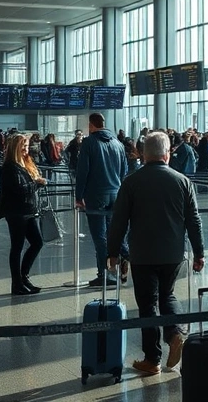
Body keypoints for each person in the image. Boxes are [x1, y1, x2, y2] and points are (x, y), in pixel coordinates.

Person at [107, 132, 205, 376]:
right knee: (167, 294)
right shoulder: (183, 181)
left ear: (143, 154)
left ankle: (152, 360)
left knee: (147, 304)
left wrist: (113, 253)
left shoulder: (131, 182)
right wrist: (199, 252)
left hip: (142, 253)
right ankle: (174, 334)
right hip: (173, 253)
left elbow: (119, 221)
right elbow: (194, 221)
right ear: (167, 153)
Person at [76, 113, 130, 287]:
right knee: (114, 232)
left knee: (100, 237)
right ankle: (126, 256)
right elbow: (124, 171)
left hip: (95, 195)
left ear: (91, 125)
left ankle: (104, 273)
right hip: (116, 193)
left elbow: (83, 171)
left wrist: (79, 196)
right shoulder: (118, 144)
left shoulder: (89, 143)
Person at [0, 134, 47, 295]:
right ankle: (17, 283)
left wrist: (35, 183)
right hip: (16, 212)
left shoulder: (25, 163)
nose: (26, 150)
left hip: (29, 210)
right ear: (15, 149)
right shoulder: (9, 167)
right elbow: (20, 190)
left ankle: (23, 276)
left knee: (37, 242)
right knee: (17, 247)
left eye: (27, 147)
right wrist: (37, 183)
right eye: (23, 147)